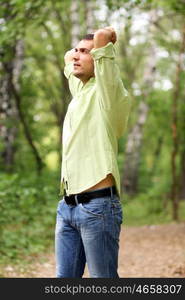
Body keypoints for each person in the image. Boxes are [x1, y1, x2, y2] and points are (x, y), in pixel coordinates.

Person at [55, 27, 131, 278]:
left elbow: (104, 56)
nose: (76, 55)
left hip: (97, 207)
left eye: (84, 52)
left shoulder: (107, 92)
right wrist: (80, 51)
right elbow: (69, 59)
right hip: (67, 207)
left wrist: (104, 38)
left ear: (98, 58)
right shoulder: (81, 90)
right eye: (76, 50)